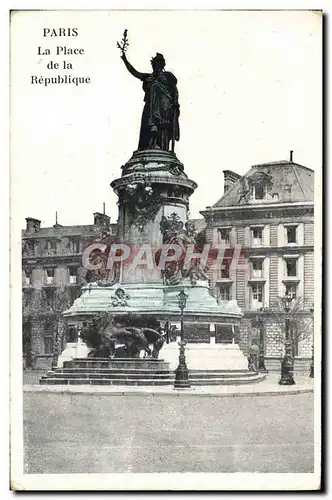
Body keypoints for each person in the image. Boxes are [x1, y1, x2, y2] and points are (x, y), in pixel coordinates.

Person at [121, 52, 180, 151]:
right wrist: (125, 60)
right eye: (154, 63)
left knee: (162, 128)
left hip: (164, 108)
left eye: (159, 63)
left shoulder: (168, 77)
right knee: (147, 129)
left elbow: (174, 91)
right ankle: (148, 146)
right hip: (150, 108)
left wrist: (175, 103)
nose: (156, 66)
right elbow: (135, 73)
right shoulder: (149, 77)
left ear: (162, 65)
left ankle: (160, 147)